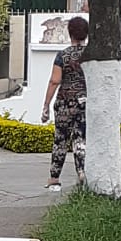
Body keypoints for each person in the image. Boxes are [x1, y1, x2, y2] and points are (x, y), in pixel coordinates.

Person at [41, 16, 89, 192]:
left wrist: (46, 105)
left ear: (70, 33)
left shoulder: (62, 55)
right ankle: (82, 172)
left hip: (64, 104)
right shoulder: (91, 55)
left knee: (60, 140)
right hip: (85, 103)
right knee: (81, 140)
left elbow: (55, 81)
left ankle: (54, 179)